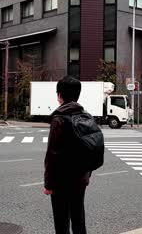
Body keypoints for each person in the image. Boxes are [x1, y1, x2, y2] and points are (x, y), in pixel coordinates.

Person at [44, 76, 90, 234]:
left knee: (61, 221)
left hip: (61, 181)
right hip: (80, 179)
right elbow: (89, 150)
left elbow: (52, 155)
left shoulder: (59, 119)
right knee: (79, 219)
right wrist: (86, 176)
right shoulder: (85, 116)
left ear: (59, 95)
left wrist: (48, 184)